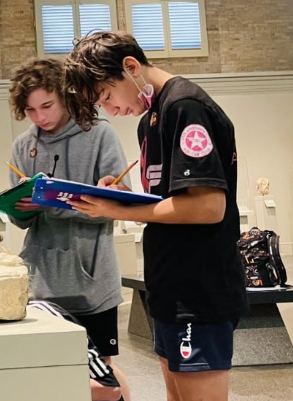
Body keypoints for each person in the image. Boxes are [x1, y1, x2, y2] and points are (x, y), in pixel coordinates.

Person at [64, 30, 247, 401]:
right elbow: (169, 202)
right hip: (169, 286)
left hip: (199, 290)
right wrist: (124, 197)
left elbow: (209, 207)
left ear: (131, 67)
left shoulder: (185, 106)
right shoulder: (151, 119)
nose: (112, 110)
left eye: (107, 96)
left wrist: (116, 209)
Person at [7, 58, 130, 400]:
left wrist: (53, 205)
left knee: (102, 374)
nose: (40, 117)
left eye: (47, 105)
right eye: (30, 110)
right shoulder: (22, 146)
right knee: (49, 372)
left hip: (92, 280)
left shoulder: (100, 133)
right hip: (41, 283)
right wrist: (19, 208)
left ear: (65, 95)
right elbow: (20, 220)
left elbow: (118, 204)